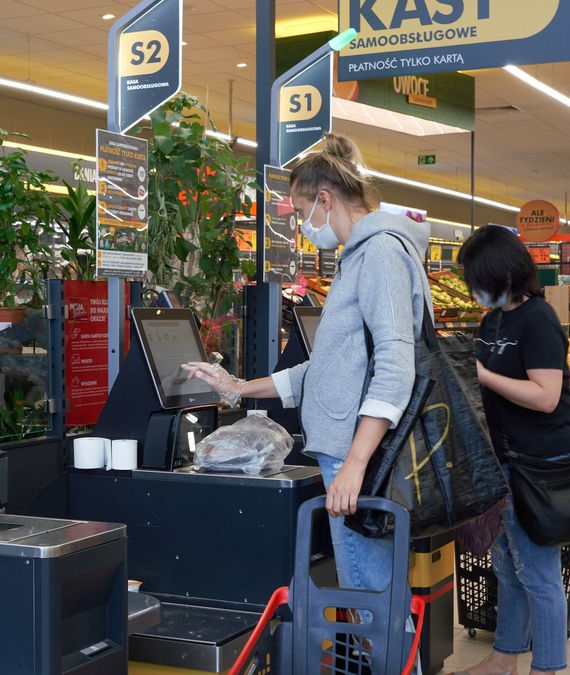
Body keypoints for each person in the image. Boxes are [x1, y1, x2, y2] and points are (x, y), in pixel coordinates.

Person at [183, 133, 430, 659]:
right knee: (374, 603)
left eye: (300, 211)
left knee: (373, 603)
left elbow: (393, 364)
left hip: (361, 456)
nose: (301, 225)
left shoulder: (381, 253)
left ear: (325, 199)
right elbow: (329, 369)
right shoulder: (360, 255)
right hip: (350, 453)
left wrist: (355, 463)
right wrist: (238, 387)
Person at [453, 226, 570, 675]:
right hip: (502, 460)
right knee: (508, 567)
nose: (473, 289)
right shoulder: (493, 321)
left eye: (476, 278)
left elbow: (546, 396)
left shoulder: (539, 319)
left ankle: (548, 666)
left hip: (537, 465)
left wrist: (483, 376)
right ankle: (504, 658)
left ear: (501, 272)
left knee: (539, 575)